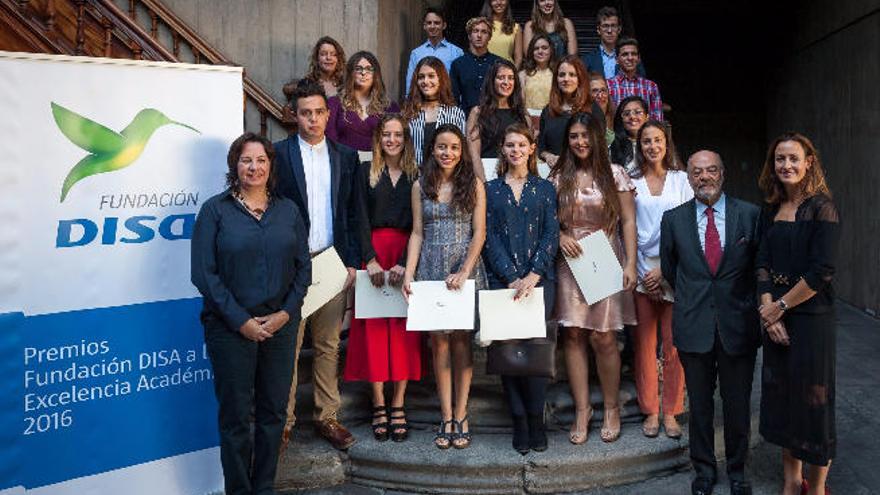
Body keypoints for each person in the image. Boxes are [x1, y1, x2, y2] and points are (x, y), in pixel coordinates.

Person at [191, 132, 311, 495]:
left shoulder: (288, 210)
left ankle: (263, 489)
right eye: (246, 160)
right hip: (229, 330)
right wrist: (240, 321)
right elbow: (203, 274)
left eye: (261, 160)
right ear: (235, 166)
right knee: (236, 419)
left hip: (280, 328)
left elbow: (303, 269)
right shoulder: (215, 210)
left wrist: (285, 314)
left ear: (270, 166)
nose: (254, 167)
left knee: (274, 414)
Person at [660, 150, 762, 495]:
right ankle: (703, 471)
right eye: (697, 172)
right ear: (688, 178)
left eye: (712, 170)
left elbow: (756, 269)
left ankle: (738, 471)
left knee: (737, 404)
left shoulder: (749, 215)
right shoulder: (673, 220)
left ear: (723, 174)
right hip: (694, 324)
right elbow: (672, 271)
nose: (705, 177)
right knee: (700, 406)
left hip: (738, 324)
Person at [274, 82, 360, 451]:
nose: (312, 119)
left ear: (329, 114)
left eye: (318, 112)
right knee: (287, 346)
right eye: (305, 112)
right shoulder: (277, 155)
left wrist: (353, 262)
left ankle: (327, 417)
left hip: (331, 262)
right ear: (295, 115)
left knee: (327, 344)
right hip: (291, 267)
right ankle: (284, 422)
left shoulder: (346, 156)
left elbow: (354, 212)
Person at [756, 133, 839, 495]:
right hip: (775, 317)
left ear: (809, 163)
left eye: (793, 159)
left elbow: (822, 271)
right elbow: (760, 264)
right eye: (779, 159)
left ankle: (818, 488)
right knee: (786, 402)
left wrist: (780, 307)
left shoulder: (822, 208)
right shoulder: (770, 209)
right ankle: (792, 482)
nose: (786, 165)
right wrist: (766, 309)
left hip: (811, 320)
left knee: (814, 403)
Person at [550, 112, 638, 445]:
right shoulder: (559, 176)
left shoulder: (615, 174)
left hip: (603, 253)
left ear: (598, 138)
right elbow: (548, 217)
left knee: (603, 337)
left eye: (586, 136)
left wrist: (630, 263)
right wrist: (559, 235)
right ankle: (582, 409)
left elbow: (628, 221)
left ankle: (612, 408)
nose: (580, 142)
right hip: (570, 259)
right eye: (574, 136)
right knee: (572, 335)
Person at [402, 124, 487, 450]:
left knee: (462, 344)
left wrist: (465, 271)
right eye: (441, 147)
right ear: (433, 149)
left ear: (462, 151)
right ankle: (446, 415)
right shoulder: (420, 185)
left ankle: (462, 414)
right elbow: (417, 233)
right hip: (431, 269)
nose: (447, 152)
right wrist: (410, 274)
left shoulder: (475, 185)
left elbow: (479, 233)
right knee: (438, 345)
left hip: (463, 270)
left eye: (453, 147)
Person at [344, 115, 421, 443]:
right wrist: (370, 259)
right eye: (386, 134)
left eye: (398, 134)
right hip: (374, 255)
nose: (392, 139)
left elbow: (420, 224)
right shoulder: (365, 172)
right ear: (378, 138)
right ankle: (378, 403)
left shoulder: (416, 175)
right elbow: (356, 216)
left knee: (403, 332)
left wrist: (406, 263)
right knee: (373, 331)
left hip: (406, 255)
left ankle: (399, 403)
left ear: (405, 138)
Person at [484, 123, 559, 454]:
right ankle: (518, 419)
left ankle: (536, 419)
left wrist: (533, 274)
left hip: (540, 282)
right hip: (503, 282)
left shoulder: (545, 189)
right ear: (502, 149)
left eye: (521, 144)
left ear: (532, 149)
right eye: (509, 144)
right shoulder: (490, 189)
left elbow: (552, 234)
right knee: (508, 355)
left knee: (536, 355)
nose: (515, 150)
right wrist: (511, 276)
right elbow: (487, 236)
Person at [629, 120, 691, 441]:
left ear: (667, 143)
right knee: (643, 345)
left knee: (673, 344)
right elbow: (627, 228)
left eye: (657, 140)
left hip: (674, 270)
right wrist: (641, 271)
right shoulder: (631, 181)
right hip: (641, 270)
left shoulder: (682, 181)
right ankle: (650, 410)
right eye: (646, 142)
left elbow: (689, 229)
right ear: (639, 147)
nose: (652, 146)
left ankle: (671, 411)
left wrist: (665, 270)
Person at [466, 60, 530, 181]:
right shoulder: (477, 112)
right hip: (485, 175)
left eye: (511, 78)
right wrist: (485, 184)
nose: (506, 82)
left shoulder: (523, 115)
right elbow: (473, 155)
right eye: (501, 77)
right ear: (492, 81)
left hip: (518, 177)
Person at [537, 56, 604, 168]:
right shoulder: (547, 111)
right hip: (554, 171)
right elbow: (542, 148)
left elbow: (599, 146)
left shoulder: (593, 109)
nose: (566, 79)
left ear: (580, 79)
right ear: (556, 79)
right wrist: (549, 156)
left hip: (585, 170)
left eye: (572, 75)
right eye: (562, 75)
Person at [326, 51, 400, 153]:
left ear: (376, 74)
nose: (363, 73)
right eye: (358, 68)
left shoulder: (390, 107)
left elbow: (396, 142)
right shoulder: (334, 104)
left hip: (378, 164)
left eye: (369, 69)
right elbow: (330, 140)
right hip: (344, 163)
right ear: (351, 73)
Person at [403, 56, 467, 167]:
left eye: (431, 76)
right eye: (421, 77)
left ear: (441, 79)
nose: (425, 81)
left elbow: (461, 151)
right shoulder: (408, 113)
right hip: (413, 177)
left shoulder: (455, 113)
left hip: (446, 178)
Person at [405, 8, 464, 96]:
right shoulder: (416, 53)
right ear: (424, 26)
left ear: (444, 25)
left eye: (437, 23)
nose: (432, 26)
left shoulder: (456, 52)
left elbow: (462, 83)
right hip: (422, 104)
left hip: (448, 104)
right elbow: (410, 83)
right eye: (429, 23)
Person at [451, 17, 503, 115]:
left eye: (484, 32)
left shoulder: (499, 63)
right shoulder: (458, 64)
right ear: (469, 36)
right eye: (475, 31)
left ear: (489, 37)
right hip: (465, 118)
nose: (479, 35)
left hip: (495, 118)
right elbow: (454, 98)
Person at [607, 38, 664, 121]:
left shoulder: (651, 86)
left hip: (645, 133)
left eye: (633, 54)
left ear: (639, 58)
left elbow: (657, 120)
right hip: (617, 133)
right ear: (616, 59)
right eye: (625, 54)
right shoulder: (608, 85)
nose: (630, 58)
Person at [582, 6, 646, 80]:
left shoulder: (630, 57)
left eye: (613, 26)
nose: (609, 31)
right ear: (598, 30)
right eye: (605, 26)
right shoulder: (587, 60)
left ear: (619, 29)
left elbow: (642, 81)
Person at [519, 33, 556, 122]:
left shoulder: (557, 73)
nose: (540, 51)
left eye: (544, 48)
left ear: (551, 50)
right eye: (536, 48)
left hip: (552, 119)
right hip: (527, 120)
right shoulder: (522, 74)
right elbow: (520, 103)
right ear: (531, 52)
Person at [609, 96, 649, 173]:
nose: (632, 117)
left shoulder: (655, 143)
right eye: (626, 114)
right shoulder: (614, 146)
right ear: (621, 119)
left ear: (647, 117)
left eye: (638, 112)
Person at [482, 0, 522, 66]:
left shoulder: (515, 27)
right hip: (484, 70)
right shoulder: (481, 24)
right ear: (489, 2)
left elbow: (518, 58)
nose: (499, 3)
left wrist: (512, 73)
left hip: (507, 71)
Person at [589, 71, 616, 146]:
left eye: (603, 90)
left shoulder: (616, 116)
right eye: (594, 91)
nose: (600, 95)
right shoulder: (584, 118)